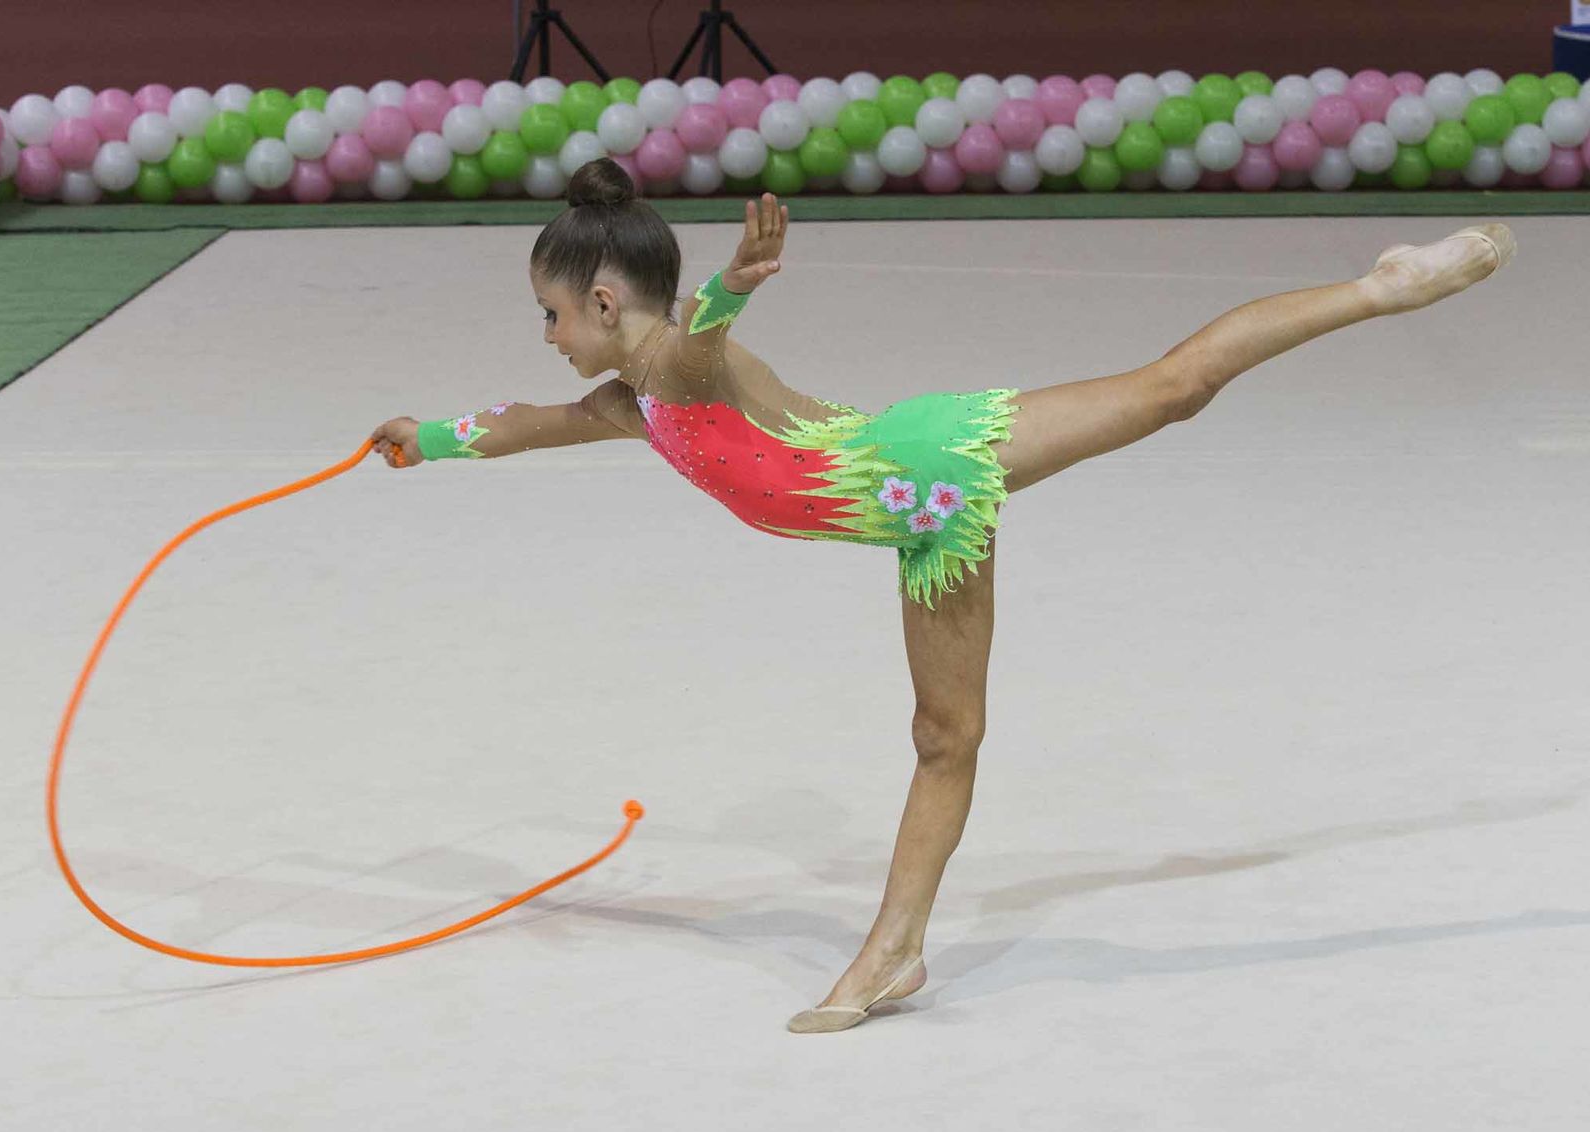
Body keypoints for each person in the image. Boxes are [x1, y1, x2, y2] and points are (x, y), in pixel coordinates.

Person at [371, 157, 1515, 1033]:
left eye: (551, 313)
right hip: (925, 522)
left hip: (930, 457)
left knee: (1171, 390)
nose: (547, 335)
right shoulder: (633, 403)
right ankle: (895, 952)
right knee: (945, 735)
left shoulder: (672, 362)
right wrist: (426, 436)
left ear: (604, 300)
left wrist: (731, 285)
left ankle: (1383, 287)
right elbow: (526, 424)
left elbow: (700, 346)